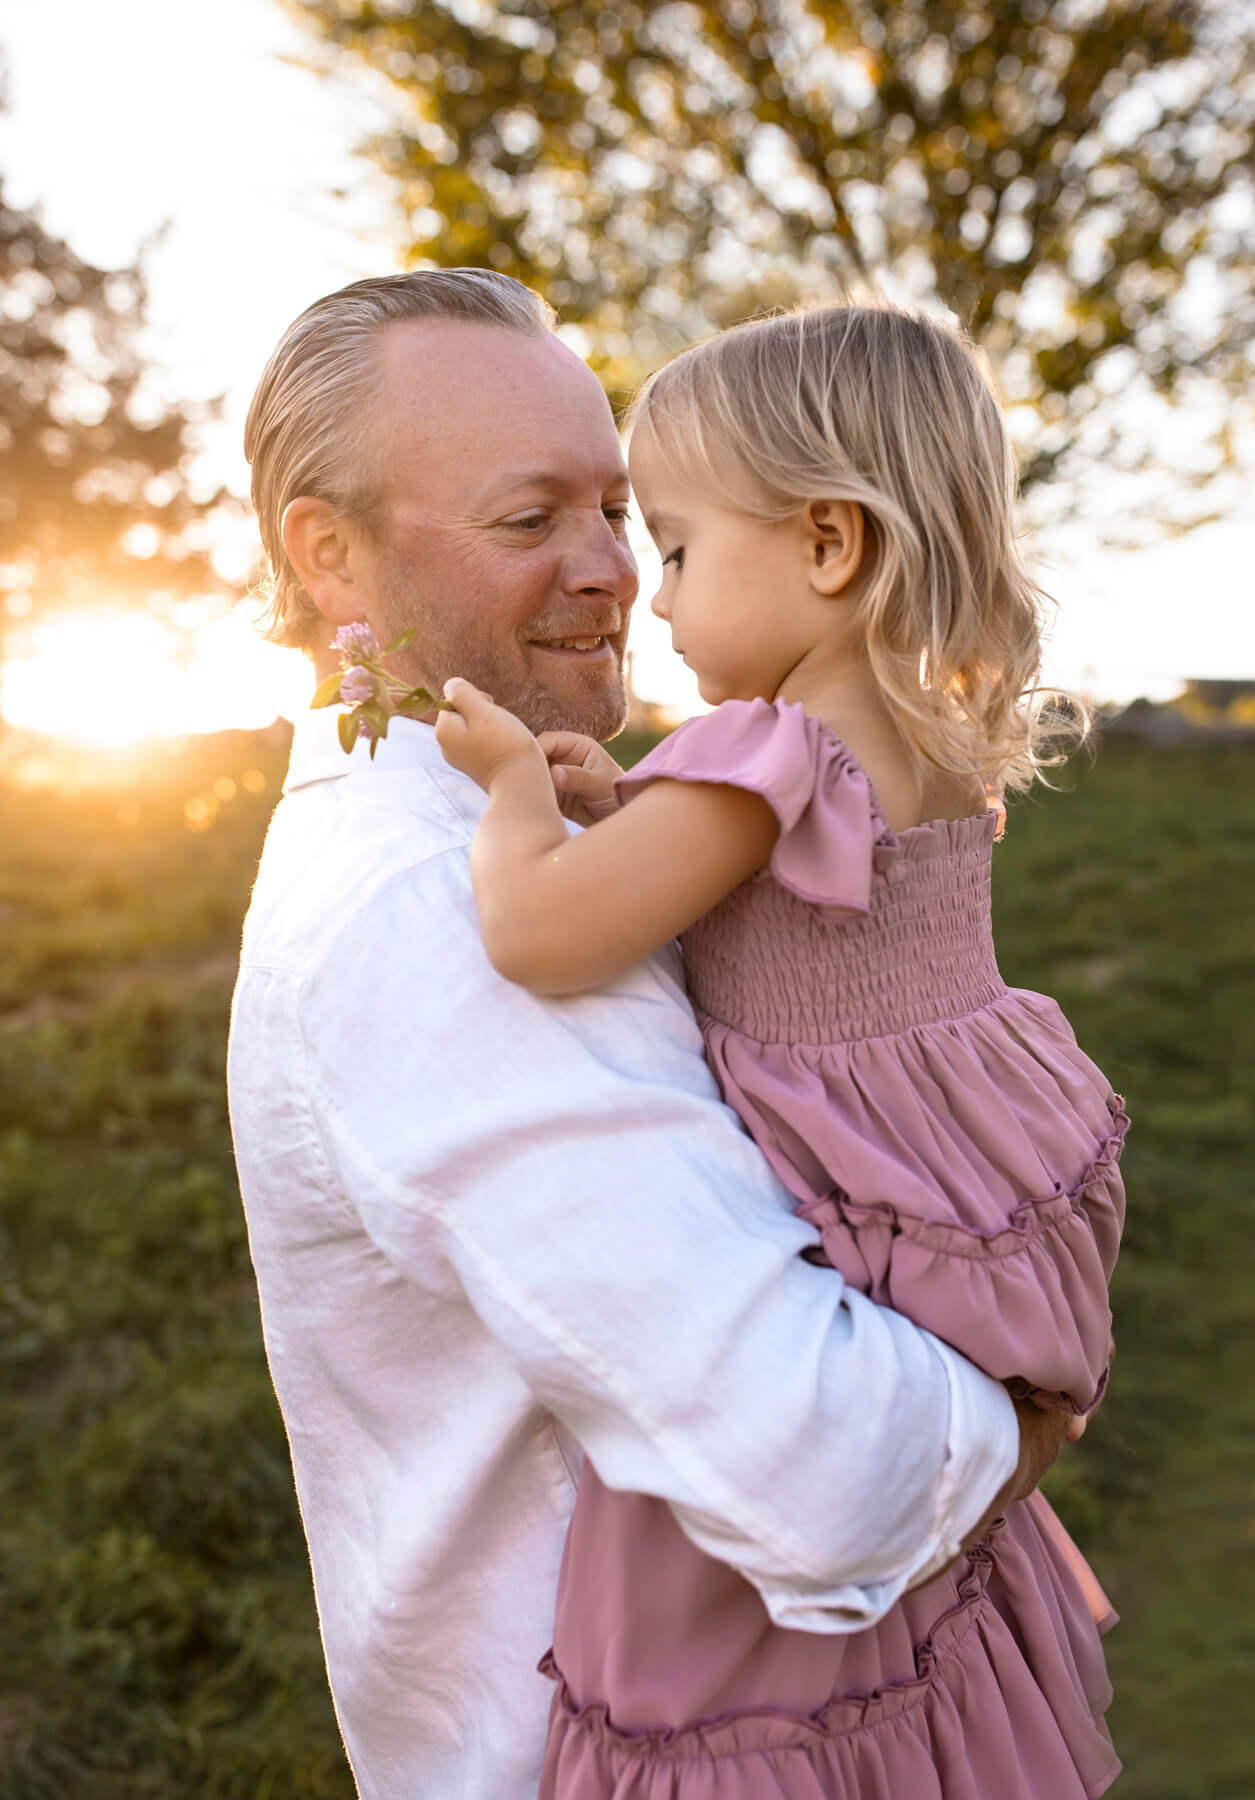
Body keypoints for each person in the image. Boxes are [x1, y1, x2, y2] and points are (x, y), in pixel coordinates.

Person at [228, 269, 1077, 1800]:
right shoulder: (432, 914)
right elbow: (835, 1480)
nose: (617, 572)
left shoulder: (545, 822)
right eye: (529, 518)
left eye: (624, 513)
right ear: (328, 552)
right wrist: (1033, 1407)